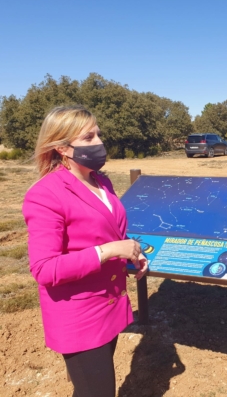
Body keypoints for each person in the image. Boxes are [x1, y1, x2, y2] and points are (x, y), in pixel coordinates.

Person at [22, 106, 149, 397]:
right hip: (78, 318)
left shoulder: (100, 180)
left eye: (98, 134)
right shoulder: (45, 194)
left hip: (110, 305)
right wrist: (107, 251)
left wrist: (131, 252)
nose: (99, 143)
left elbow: (112, 230)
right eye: (89, 137)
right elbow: (44, 268)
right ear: (63, 148)